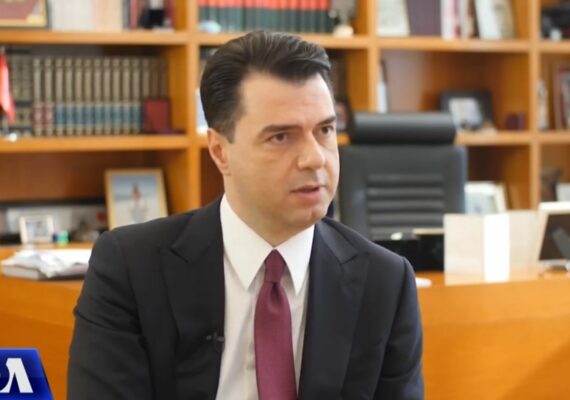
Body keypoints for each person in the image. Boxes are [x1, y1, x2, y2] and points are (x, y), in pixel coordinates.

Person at [68, 31, 423, 399]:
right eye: (281, 137)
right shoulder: (131, 269)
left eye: (325, 130)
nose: (315, 158)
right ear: (220, 151)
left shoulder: (385, 283)